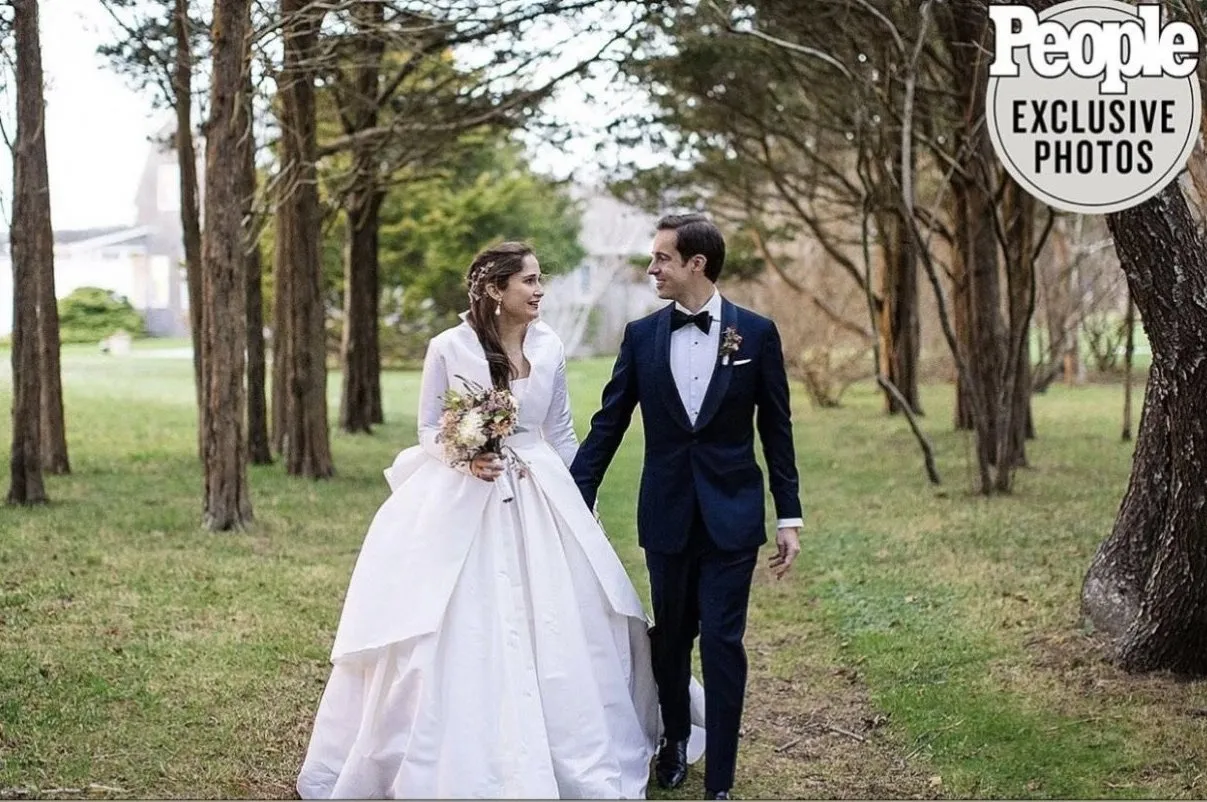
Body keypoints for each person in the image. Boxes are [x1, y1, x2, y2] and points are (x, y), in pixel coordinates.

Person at [295, 241, 703, 799]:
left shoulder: (551, 344)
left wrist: (581, 508)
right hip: (466, 495)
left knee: (575, 616)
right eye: (529, 281)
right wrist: (464, 455)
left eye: (541, 279)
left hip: (542, 493)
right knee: (453, 621)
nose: (539, 291)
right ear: (495, 289)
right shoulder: (448, 346)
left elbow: (560, 431)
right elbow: (426, 429)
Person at [570, 214, 803, 800]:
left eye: (661, 259)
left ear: (695, 264)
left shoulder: (756, 333)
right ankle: (674, 738)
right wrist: (574, 494)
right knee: (670, 637)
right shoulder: (641, 337)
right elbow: (609, 423)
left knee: (723, 642)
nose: (651, 270)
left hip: (733, 516)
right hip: (667, 514)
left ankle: (720, 779)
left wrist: (789, 514)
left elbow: (777, 429)